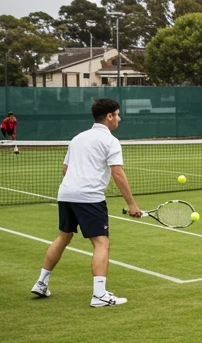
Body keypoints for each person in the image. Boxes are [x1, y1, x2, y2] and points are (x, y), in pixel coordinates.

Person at [32, 97, 141, 307]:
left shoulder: (77, 138)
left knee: (63, 237)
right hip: (89, 197)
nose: (119, 118)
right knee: (102, 243)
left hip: (66, 194)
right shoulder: (110, 141)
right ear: (109, 116)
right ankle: (99, 295)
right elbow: (117, 172)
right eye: (117, 114)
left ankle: (41, 283)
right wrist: (132, 205)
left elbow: (65, 170)